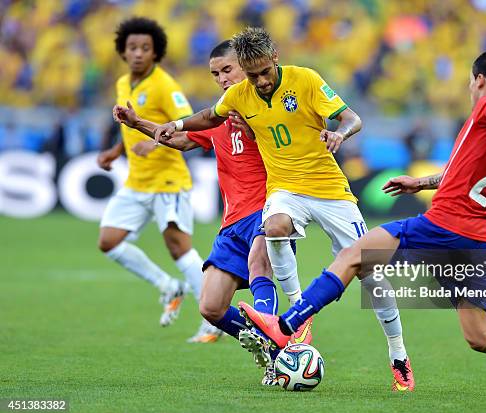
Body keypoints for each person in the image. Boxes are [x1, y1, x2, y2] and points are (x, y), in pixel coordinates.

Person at [239, 49, 486, 410]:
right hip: (478, 239)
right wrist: (421, 183)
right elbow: (461, 172)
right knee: (481, 336)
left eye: (472, 82)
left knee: (354, 256)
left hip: (443, 226)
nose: (472, 89)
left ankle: (285, 327)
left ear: (480, 81)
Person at [152, 27, 412, 392]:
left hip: (329, 190)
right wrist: (174, 125)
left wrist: (341, 134)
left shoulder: (305, 80)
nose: (259, 81)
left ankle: (398, 353)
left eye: (263, 72)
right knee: (273, 226)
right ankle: (296, 314)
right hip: (285, 189)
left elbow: (352, 117)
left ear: (275, 57)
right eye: (251, 74)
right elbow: (210, 117)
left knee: (369, 272)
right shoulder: (240, 95)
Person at [114, 40, 291, 385]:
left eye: (228, 70)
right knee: (210, 307)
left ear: (246, 66)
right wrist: (138, 123)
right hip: (232, 222)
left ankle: (275, 351)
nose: (222, 79)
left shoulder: (268, 106)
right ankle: (276, 349)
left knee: (259, 264)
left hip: (269, 210)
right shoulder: (218, 115)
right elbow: (182, 139)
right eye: (215, 74)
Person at [96, 17, 220, 340]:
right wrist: (115, 151)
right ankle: (167, 285)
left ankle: (212, 320)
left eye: (145, 48)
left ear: (156, 53)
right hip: (137, 182)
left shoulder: (166, 85)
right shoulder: (124, 83)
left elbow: (189, 124)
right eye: (132, 47)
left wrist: (154, 142)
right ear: (122, 51)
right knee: (108, 241)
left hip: (168, 180)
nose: (138, 53)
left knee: (179, 248)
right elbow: (129, 128)